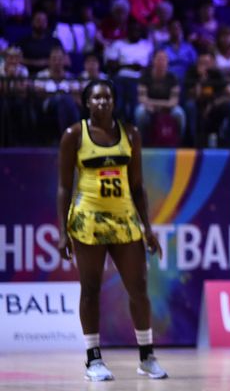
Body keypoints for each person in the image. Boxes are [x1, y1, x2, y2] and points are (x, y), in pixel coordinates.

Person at [57, 79, 168, 381]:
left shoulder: (130, 134)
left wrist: (148, 228)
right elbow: (65, 188)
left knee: (139, 289)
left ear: (114, 102)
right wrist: (63, 231)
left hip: (124, 220)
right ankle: (93, 360)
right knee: (90, 289)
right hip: (88, 219)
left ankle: (147, 357)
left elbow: (137, 186)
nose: (103, 102)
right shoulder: (73, 136)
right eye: (97, 98)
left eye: (107, 97)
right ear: (87, 103)